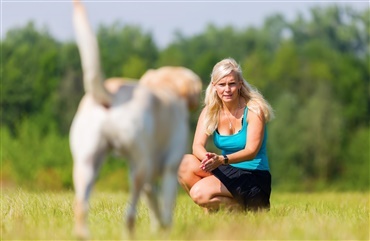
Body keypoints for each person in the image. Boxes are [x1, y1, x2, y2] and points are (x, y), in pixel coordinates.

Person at [177, 58, 274, 212]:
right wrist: (209, 158)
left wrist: (222, 160)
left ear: (240, 84)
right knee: (183, 163)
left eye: (232, 84)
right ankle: (216, 209)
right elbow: (197, 146)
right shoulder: (210, 112)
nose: (227, 89)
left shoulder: (254, 109)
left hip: (253, 176)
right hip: (227, 170)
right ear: (214, 86)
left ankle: (243, 209)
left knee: (199, 192)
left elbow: (251, 151)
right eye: (222, 84)